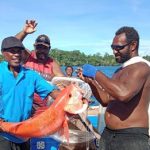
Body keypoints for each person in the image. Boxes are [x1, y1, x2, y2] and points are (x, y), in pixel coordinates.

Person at [77, 26, 150, 150]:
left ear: (133, 45)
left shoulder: (142, 67)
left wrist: (96, 73)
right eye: (113, 47)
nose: (114, 51)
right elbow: (106, 100)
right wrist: (91, 82)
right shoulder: (118, 71)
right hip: (108, 134)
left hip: (131, 138)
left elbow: (123, 94)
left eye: (119, 47)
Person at [0, 36, 60, 150]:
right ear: (3, 53)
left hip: (24, 135)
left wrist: (71, 96)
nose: (16, 54)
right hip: (3, 134)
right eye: (12, 51)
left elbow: (53, 92)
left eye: (19, 51)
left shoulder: (31, 75)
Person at [15, 20, 65, 115]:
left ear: (49, 49)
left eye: (45, 48)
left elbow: (64, 82)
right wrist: (24, 32)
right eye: (39, 47)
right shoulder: (27, 56)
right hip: (24, 104)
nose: (41, 50)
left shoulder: (53, 63)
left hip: (44, 108)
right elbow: (13, 43)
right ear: (34, 47)